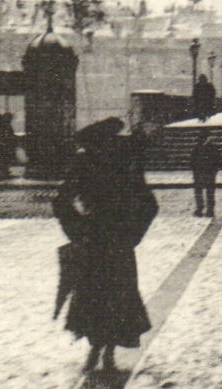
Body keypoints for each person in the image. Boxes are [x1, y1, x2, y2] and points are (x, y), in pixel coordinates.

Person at [54, 117, 157, 373]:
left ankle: (100, 349)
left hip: (96, 240)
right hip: (115, 241)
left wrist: (77, 229)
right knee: (114, 296)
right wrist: (132, 233)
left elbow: (61, 202)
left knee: (95, 296)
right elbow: (149, 204)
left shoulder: (85, 162)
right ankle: (103, 349)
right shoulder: (124, 162)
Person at [190, 130, 221, 218]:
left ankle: (209, 209)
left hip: (208, 172)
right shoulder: (198, 147)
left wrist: (214, 170)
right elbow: (192, 160)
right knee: (200, 191)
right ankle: (201, 208)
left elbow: (218, 160)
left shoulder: (211, 148)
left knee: (209, 191)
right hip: (200, 172)